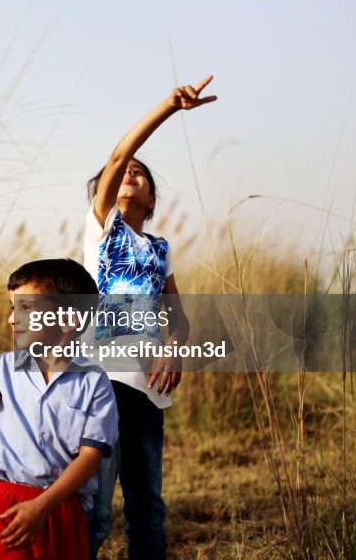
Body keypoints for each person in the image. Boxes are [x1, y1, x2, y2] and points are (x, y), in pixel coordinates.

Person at [84, 76, 216, 559]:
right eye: (121, 174)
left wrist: (174, 347)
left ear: (153, 201)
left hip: (149, 390)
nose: (128, 174)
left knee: (148, 508)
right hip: (100, 383)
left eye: (141, 174)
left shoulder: (160, 249)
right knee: (95, 511)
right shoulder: (102, 233)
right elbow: (119, 154)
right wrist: (168, 107)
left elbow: (178, 319)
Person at [0, 258, 118, 560]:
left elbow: (90, 458)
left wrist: (42, 507)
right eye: (13, 308)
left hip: (63, 507)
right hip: (8, 504)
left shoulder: (94, 382)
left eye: (26, 308)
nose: (12, 319)